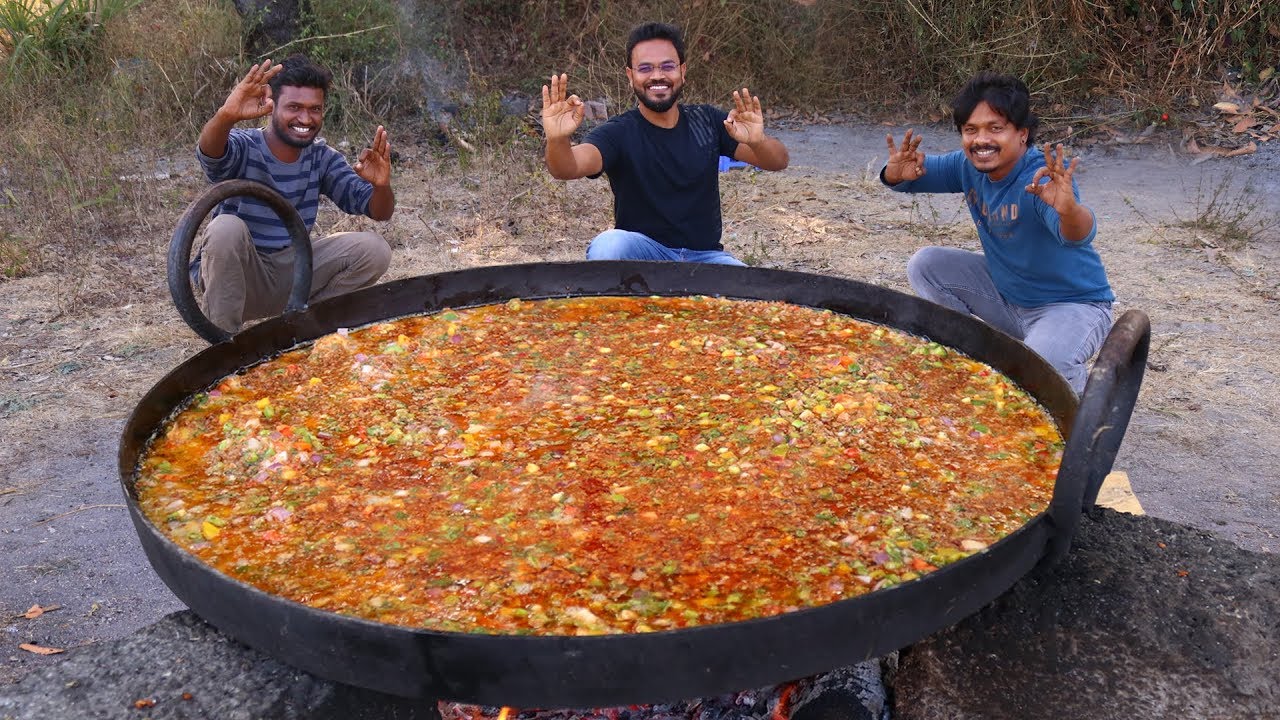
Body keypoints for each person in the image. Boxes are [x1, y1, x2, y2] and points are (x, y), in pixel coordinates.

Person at [883, 71, 1114, 394]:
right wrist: (895, 175)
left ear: (1022, 133)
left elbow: (1075, 234)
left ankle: (1080, 419)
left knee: (1040, 367)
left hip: (1071, 306)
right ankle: (964, 356)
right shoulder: (967, 166)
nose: (981, 140)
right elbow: (913, 176)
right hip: (1007, 299)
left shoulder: (1041, 176)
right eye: (970, 130)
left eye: (995, 128)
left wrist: (1069, 209)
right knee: (927, 264)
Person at [541, 21, 790, 265]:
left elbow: (777, 161)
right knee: (609, 245)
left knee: (750, 295)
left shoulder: (709, 121)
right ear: (630, 76)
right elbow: (567, 167)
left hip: (706, 259)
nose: (657, 76)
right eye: (645, 68)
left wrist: (758, 142)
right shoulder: (618, 133)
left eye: (667, 66)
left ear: (682, 71)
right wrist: (557, 138)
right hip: (644, 260)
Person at [194, 54, 394, 333]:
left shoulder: (322, 157)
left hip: (295, 272)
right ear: (271, 105)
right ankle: (224, 347)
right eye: (294, 107)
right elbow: (210, 154)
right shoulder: (245, 145)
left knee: (374, 250)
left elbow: (379, 211)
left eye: (315, 109)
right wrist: (226, 116)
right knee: (225, 228)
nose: (305, 118)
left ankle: (304, 328)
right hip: (241, 276)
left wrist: (381, 185)